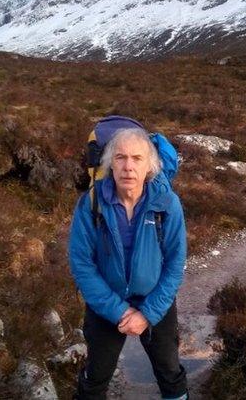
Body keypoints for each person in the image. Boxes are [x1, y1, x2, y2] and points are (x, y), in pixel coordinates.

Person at [69, 126, 189, 400]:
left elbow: (174, 263)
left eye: (137, 158)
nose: (128, 167)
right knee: (95, 377)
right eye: (120, 157)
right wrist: (120, 312)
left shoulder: (167, 203)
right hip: (107, 303)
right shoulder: (91, 203)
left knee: (170, 372)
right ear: (110, 163)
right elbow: (82, 264)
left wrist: (147, 314)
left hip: (155, 301)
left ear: (150, 166)